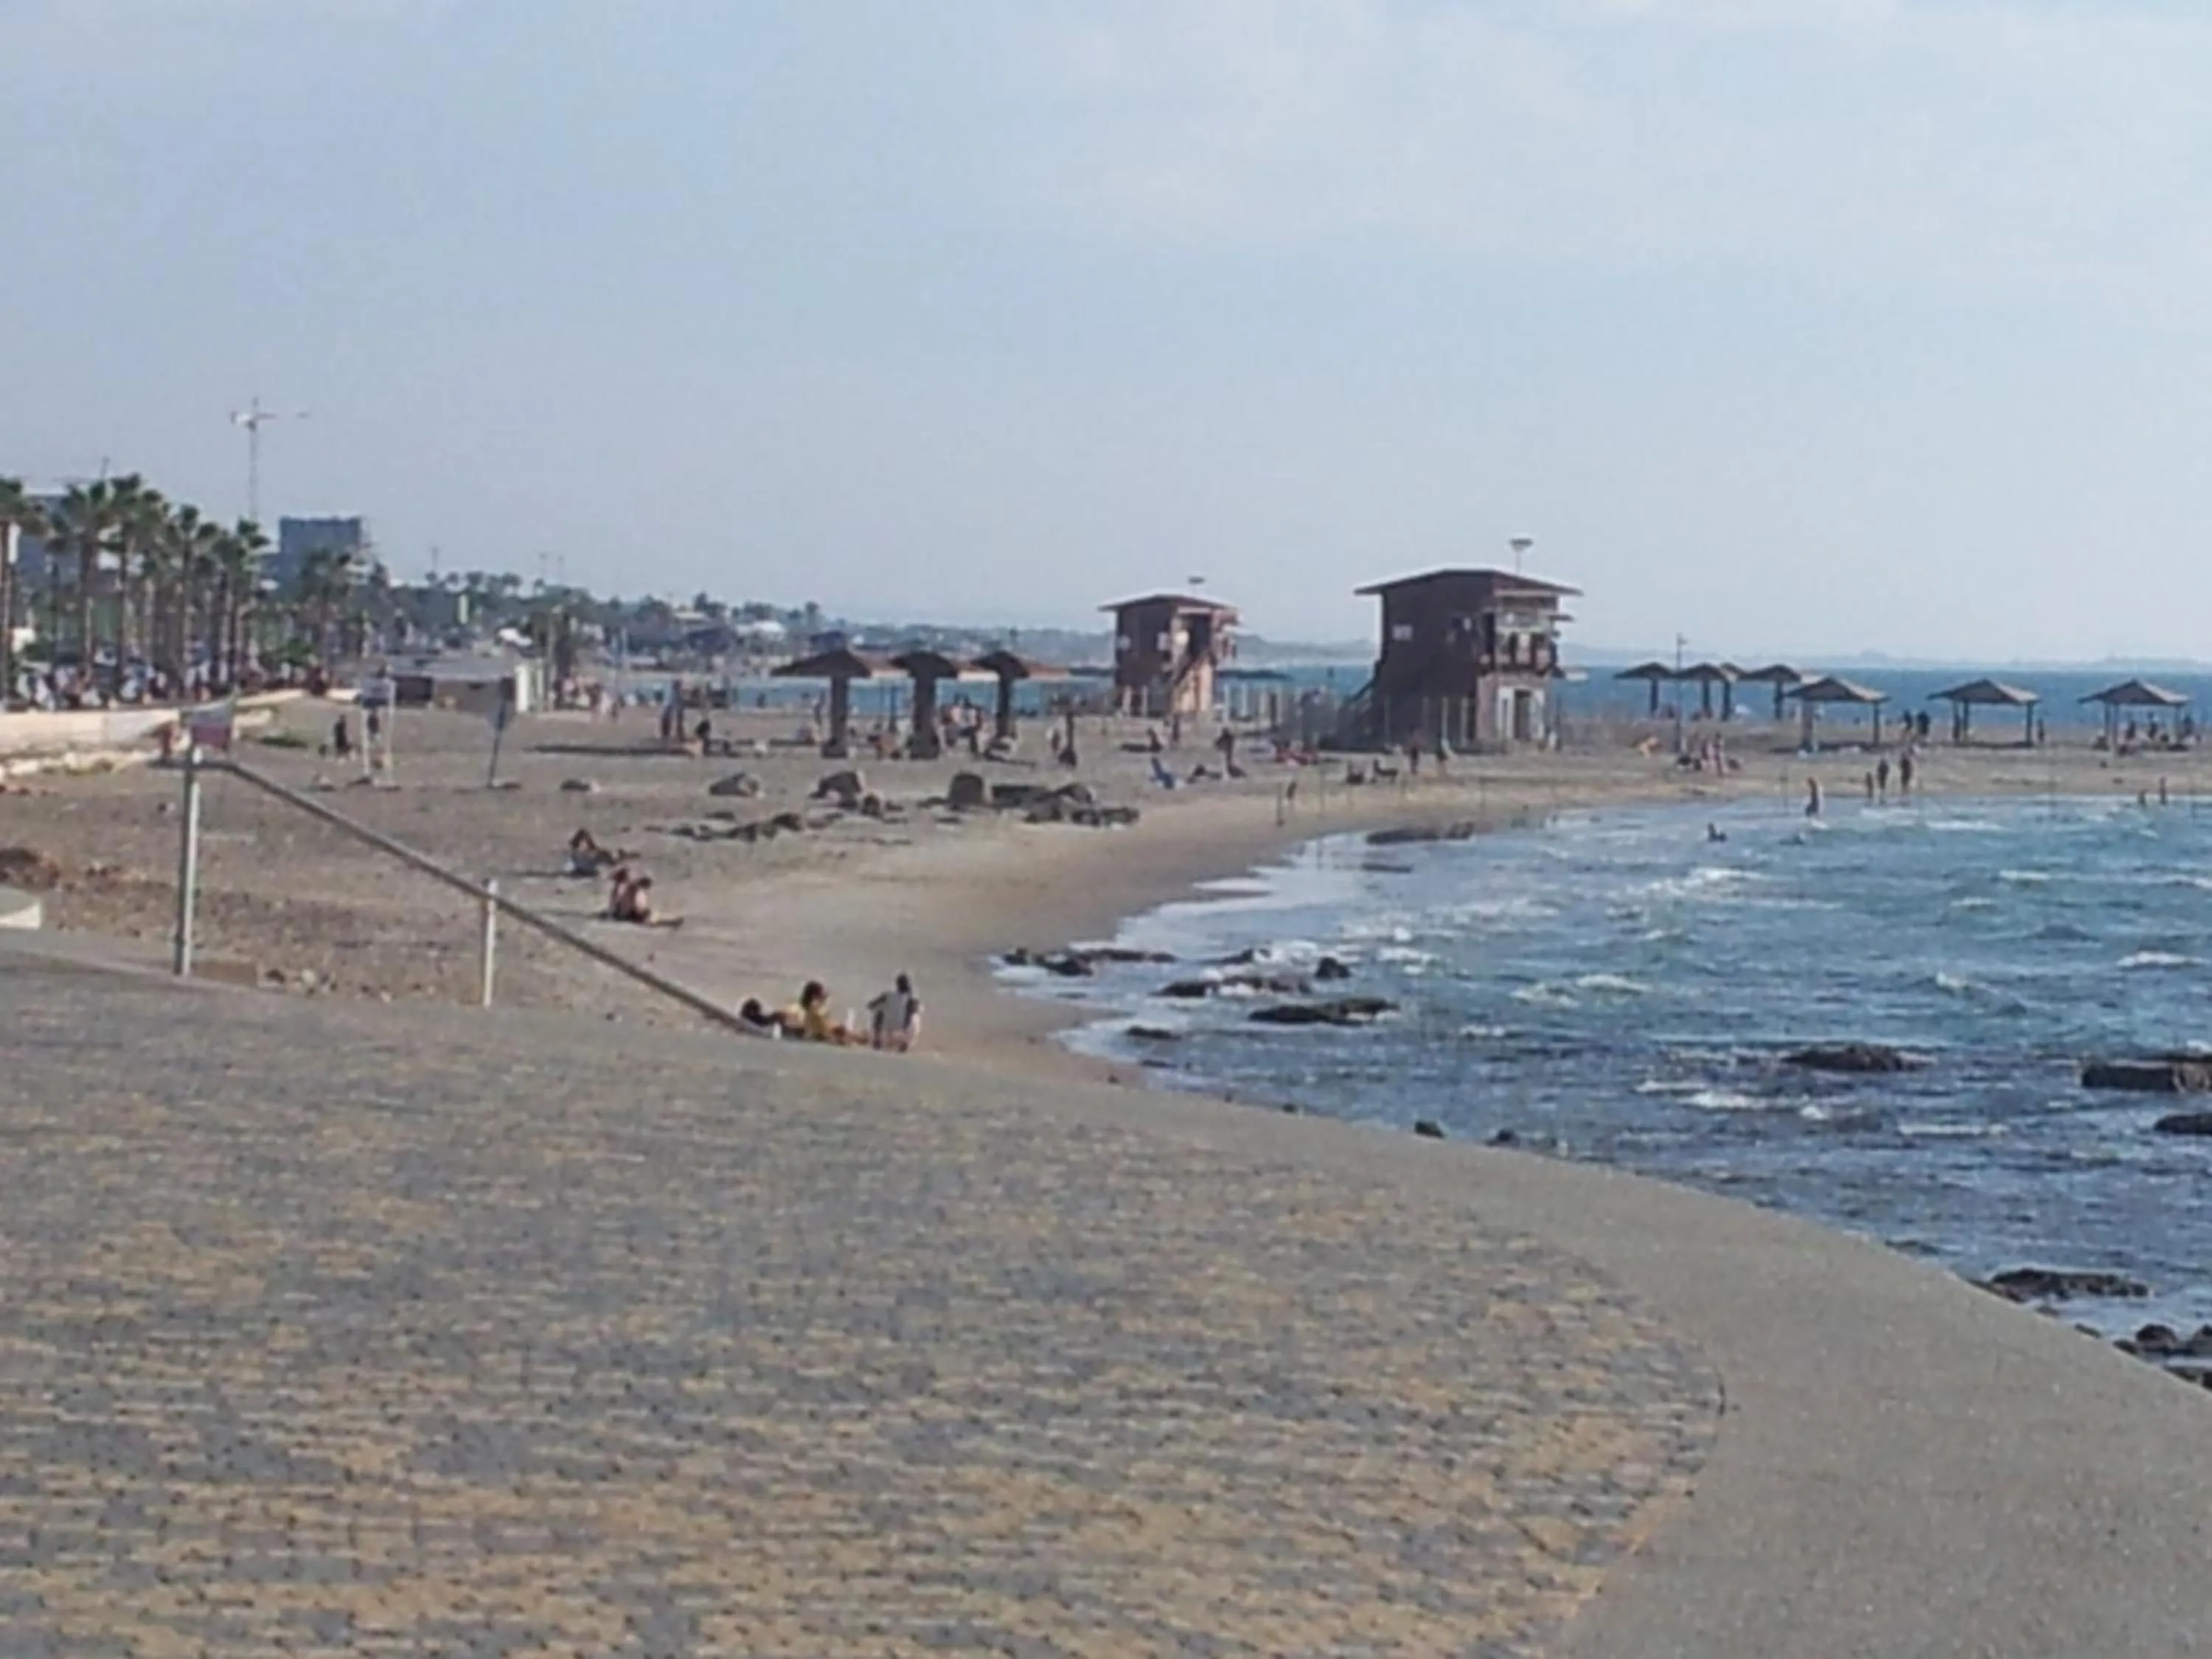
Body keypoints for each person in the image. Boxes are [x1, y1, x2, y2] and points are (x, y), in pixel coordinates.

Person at [869, 973, 923, 1052]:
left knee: (879, 1012)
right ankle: (906, 1042)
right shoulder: (910, 999)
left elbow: (871, 1006)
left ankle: (877, 1040)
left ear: (897, 985)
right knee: (915, 1015)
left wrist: (885, 1006)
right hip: (903, 1026)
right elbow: (918, 1010)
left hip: (887, 1025)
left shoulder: (887, 995)